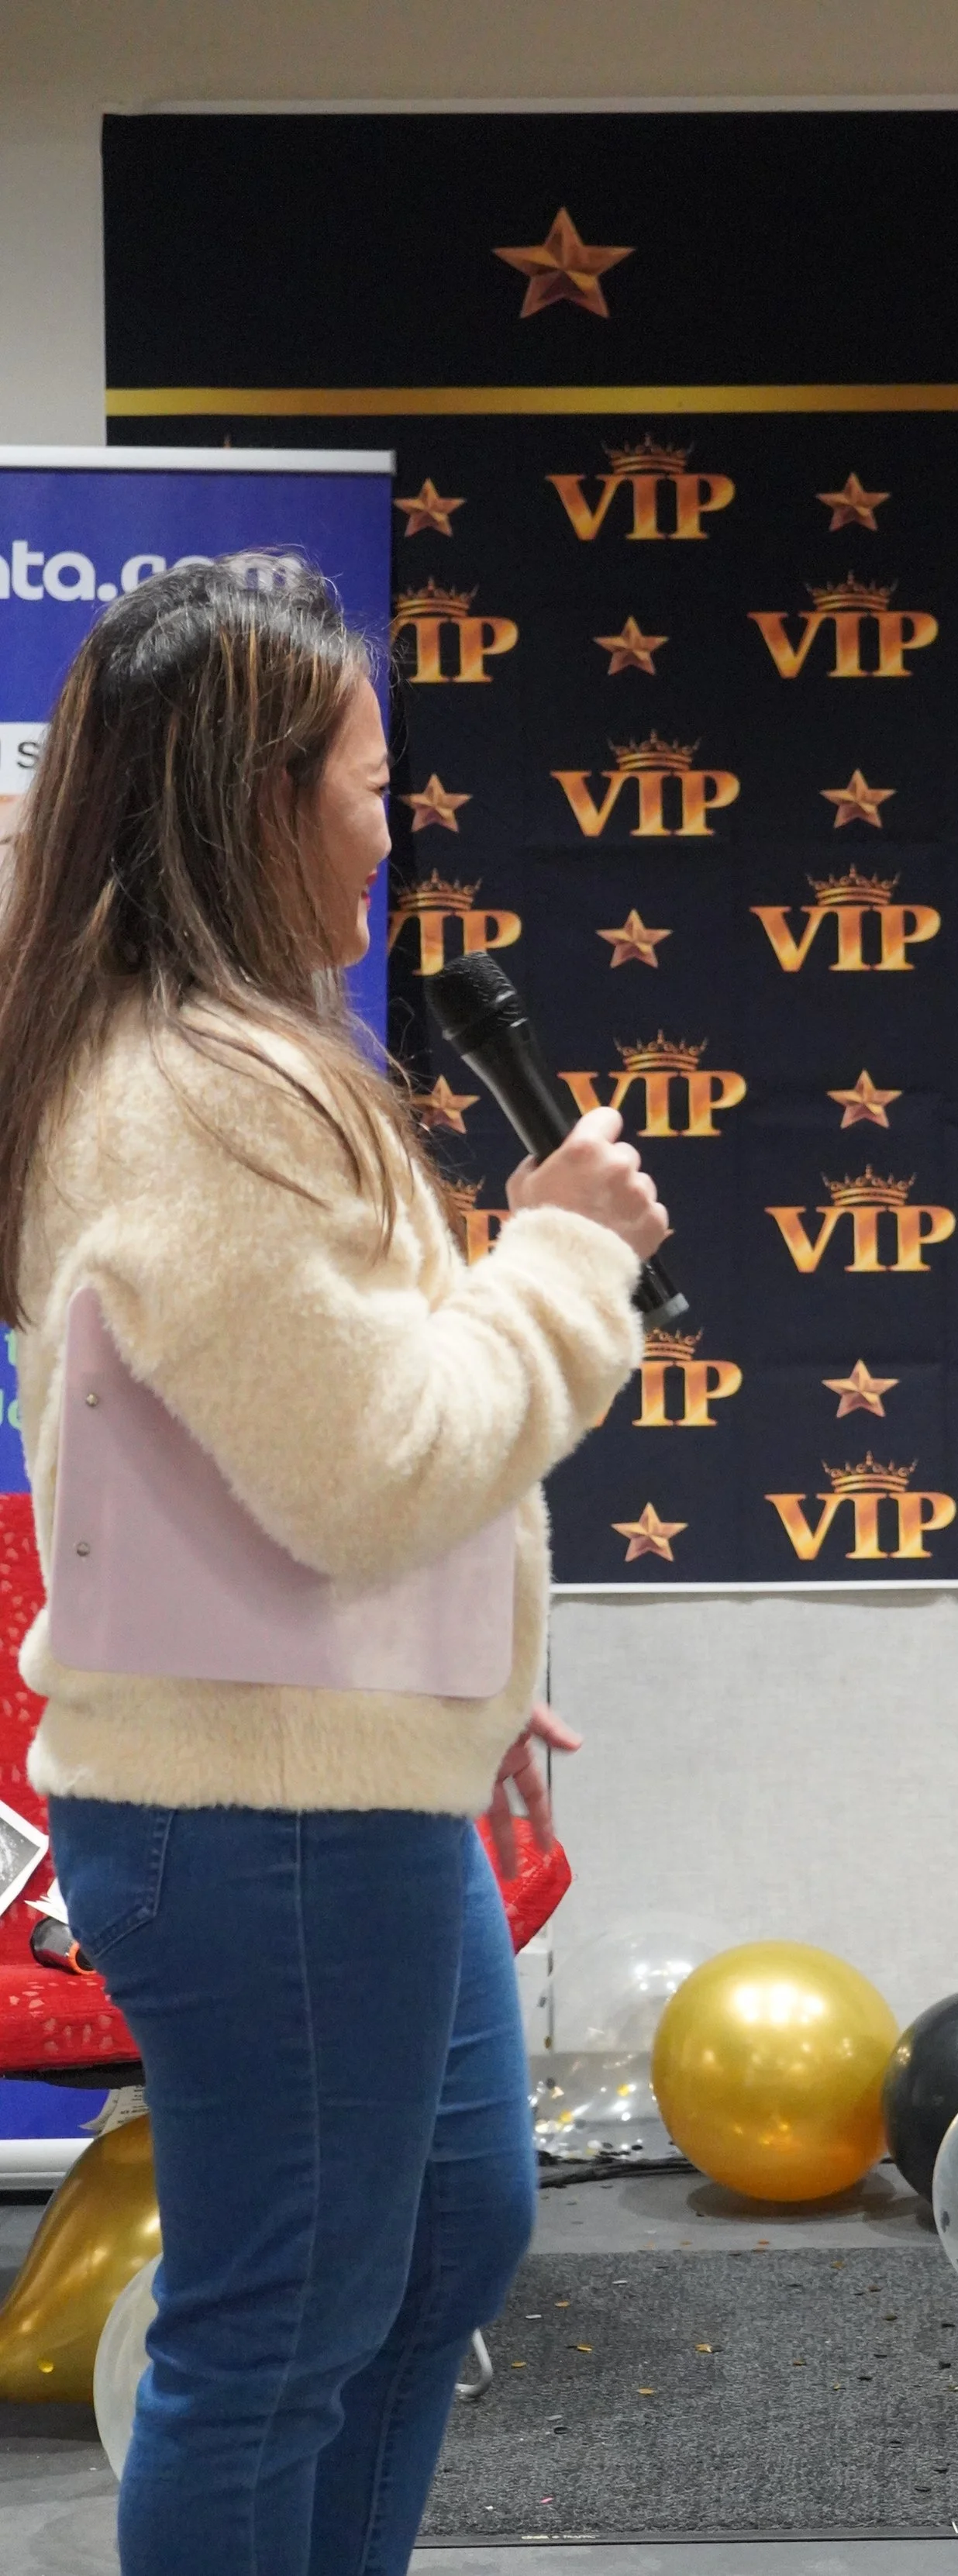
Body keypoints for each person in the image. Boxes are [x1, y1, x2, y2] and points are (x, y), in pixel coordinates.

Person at [0, 559, 663, 2575]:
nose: (391, 827)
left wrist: (459, 1652)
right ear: (263, 800)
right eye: (369, 785)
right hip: (260, 1825)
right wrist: (565, 1251)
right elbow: (379, 1464)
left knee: (448, 2230)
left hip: (348, 1778)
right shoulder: (192, 1099)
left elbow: (268, 1452)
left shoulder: (233, 1059)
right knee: (272, 2325)